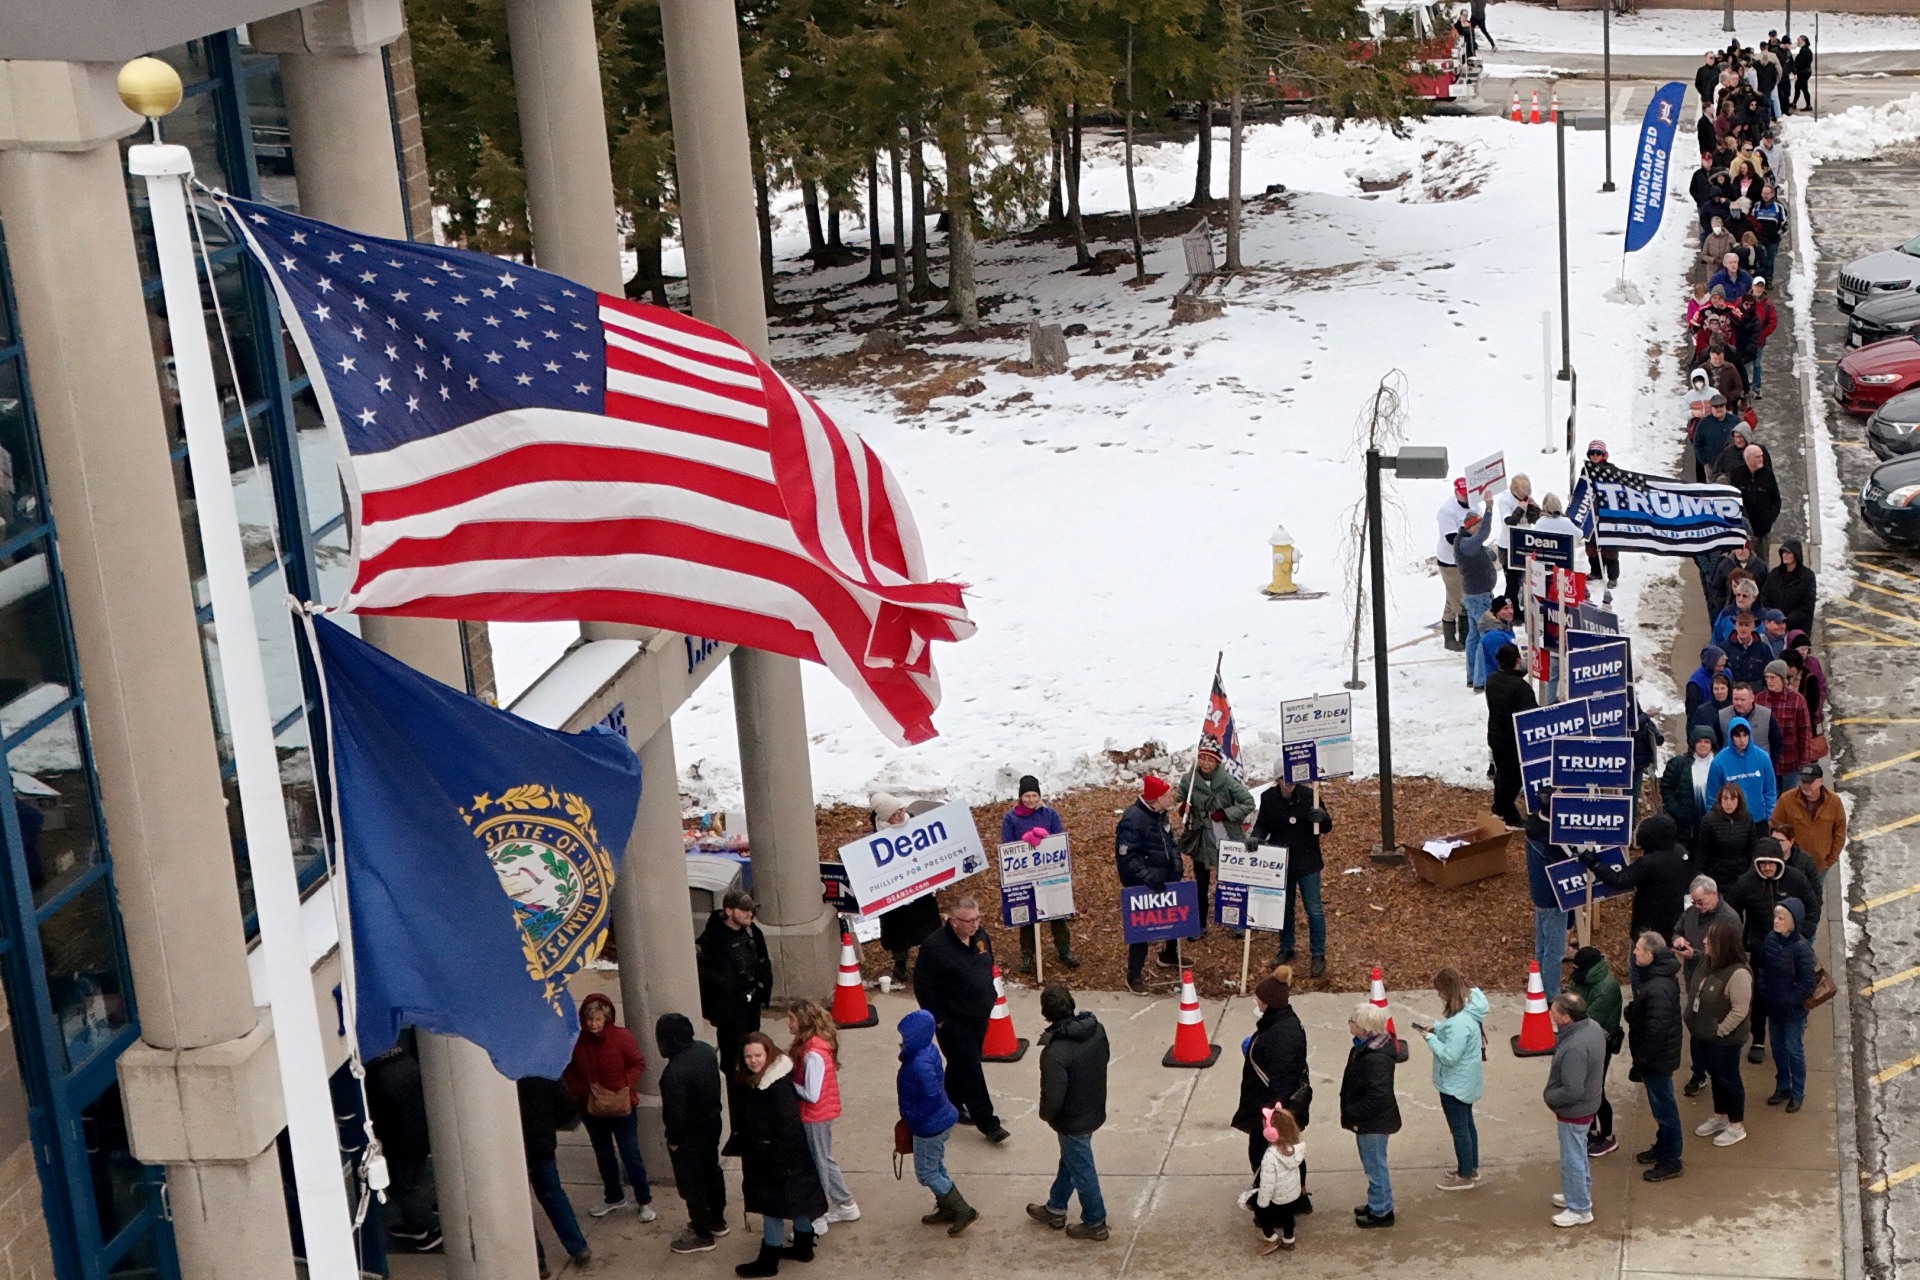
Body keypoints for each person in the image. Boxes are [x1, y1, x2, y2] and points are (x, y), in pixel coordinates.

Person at [731, 1032, 828, 1276]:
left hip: (776, 1158)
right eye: (748, 1056)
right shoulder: (760, 1079)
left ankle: (769, 1260)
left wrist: (775, 1162)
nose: (753, 1061)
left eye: (757, 1055)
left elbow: (787, 1128)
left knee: (772, 1209)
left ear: (768, 1054)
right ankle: (804, 1246)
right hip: (785, 1158)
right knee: (796, 1201)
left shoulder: (776, 1086)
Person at [914, 896, 1007, 1142]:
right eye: (968, 921)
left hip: (979, 1015)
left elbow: (988, 964)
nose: (975, 924)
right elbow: (922, 986)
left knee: (963, 1063)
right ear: (953, 921)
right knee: (971, 1068)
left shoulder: (980, 937)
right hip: (953, 1021)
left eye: (977, 918)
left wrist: (989, 994)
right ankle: (988, 1123)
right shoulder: (935, 947)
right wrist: (940, 1019)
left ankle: (949, 1100)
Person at [1026, 983, 1111, 1241]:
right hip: (1093, 1108)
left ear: (1046, 1014)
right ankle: (1056, 1206)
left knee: (1081, 1167)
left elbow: (1052, 1097)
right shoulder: (1097, 1031)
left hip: (1071, 1119)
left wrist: (1046, 1115)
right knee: (1072, 1160)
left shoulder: (1054, 1053)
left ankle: (1095, 1221)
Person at [562, 993, 656, 1221]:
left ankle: (644, 1200)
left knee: (630, 1154)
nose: (593, 1024)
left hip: (623, 1107)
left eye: (598, 1019)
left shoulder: (621, 1037)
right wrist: (580, 1090)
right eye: (589, 1020)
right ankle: (613, 1197)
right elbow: (568, 1069)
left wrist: (625, 1086)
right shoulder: (576, 1041)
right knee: (604, 1155)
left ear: (606, 1019)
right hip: (591, 1109)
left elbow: (637, 1063)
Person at [698, 887, 773, 1153]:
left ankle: (756, 1121)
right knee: (735, 1069)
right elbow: (701, 971)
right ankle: (739, 1128)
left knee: (755, 1060)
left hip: (750, 1011)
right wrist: (726, 986)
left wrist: (762, 988)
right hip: (730, 1017)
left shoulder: (753, 932)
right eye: (744, 910)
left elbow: (763, 961)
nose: (749, 914)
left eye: (751, 910)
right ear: (729, 911)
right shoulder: (712, 940)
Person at [897, 1008, 978, 1235]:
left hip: (928, 1126)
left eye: (905, 1038)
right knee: (936, 1165)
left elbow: (931, 1096)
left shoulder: (917, 1064)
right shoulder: (926, 1052)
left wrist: (912, 1116)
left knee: (927, 1172)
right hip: (939, 1120)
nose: (902, 1042)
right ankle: (947, 1207)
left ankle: (962, 1209)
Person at [658, 1013, 731, 1255]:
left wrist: (674, 1141)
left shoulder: (673, 1074)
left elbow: (675, 1116)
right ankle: (717, 1220)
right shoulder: (705, 1051)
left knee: (693, 1184)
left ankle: (702, 1233)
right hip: (712, 1124)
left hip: (689, 1136)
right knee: (712, 1170)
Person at [787, 1000, 859, 1231]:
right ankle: (845, 1203)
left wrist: (786, 1083)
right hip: (820, 1115)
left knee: (818, 1164)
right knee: (824, 1159)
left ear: (803, 1022)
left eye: (791, 1018)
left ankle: (817, 1217)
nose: (788, 1023)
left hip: (813, 1117)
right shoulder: (816, 1047)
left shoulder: (812, 1054)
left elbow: (811, 1093)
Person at [1249, 772, 1331, 974]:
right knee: (1285, 908)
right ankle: (1287, 947)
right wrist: (1255, 837)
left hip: (1307, 861)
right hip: (1282, 863)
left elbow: (1326, 827)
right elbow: (1262, 824)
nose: (1290, 784)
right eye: (1285, 779)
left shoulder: (1310, 795)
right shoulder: (1268, 798)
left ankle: (1318, 953)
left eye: (1293, 779)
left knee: (1314, 910)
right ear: (1277, 780)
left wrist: (1323, 818)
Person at [1414, 967, 1487, 1191]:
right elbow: (1453, 1030)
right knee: (1467, 1125)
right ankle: (1470, 1167)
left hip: (1454, 1085)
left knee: (1459, 1130)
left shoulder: (1458, 1022)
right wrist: (1436, 1027)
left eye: (1440, 991)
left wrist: (1430, 1039)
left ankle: (1464, 1175)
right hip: (1467, 1082)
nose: (1439, 996)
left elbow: (1449, 1056)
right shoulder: (1469, 1012)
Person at [365, 1042, 440, 1254]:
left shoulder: (376, 1079)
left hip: (401, 1141)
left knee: (401, 1191)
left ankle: (434, 1227)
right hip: (417, 1133)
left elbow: (377, 1116)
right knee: (412, 1181)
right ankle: (414, 1226)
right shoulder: (404, 1059)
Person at [1233, 974, 1311, 1175]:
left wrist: (1272, 1112)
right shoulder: (1284, 1023)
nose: (1256, 1002)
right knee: (1285, 1148)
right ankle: (1293, 1190)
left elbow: (1282, 1078)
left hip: (1272, 1108)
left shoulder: (1281, 1033)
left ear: (1268, 1003)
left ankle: (1267, 1190)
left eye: (1259, 999)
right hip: (1271, 1105)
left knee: (1267, 1150)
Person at [1584, 815, 1697, 951]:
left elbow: (1619, 880)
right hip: (1673, 918)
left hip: (1647, 921)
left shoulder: (1649, 863)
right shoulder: (1680, 852)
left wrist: (1594, 863)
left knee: (1639, 959)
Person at [1001, 776, 1079, 971]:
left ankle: (1064, 950)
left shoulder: (1050, 814)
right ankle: (1027, 955)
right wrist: (1024, 842)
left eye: (1034, 795)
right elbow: (1007, 845)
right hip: (1024, 875)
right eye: (1027, 796)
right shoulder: (1011, 818)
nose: (1031, 800)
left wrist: (1045, 840)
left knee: (1057, 914)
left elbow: (1058, 838)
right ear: (1020, 796)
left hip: (1049, 873)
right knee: (1026, 917)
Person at [1688, 919, 1754, 1148]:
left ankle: (1736, 1126)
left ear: (1722, 944)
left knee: (1729, 1080)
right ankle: (1720, 1116)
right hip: (1707, 1037)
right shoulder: (1710, 962)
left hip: (1725, 1041)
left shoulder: (1738, 975)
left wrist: (1720, 1031)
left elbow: (1740, 1010)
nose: (1704, 941)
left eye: (1710, 939)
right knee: (1716, 1077)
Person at [1115, 775, 1184, 993]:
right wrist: (1148, 878)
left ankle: (1169, 954)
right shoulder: (1132, 819)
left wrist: (1176, 863)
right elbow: (1127, 858)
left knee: (1174, 918)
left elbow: (1170, 843)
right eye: (1167, 795)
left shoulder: (1160, 814)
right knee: (1142, 931)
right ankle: (1133, 975)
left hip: (1165, 878)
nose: (1171, 797)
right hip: (1143, 886)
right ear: (1156, 799)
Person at [1627, 932, 1686, 1182]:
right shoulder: (1657, 979)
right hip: (1657, 1058)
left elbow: (1656, 1031)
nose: (1634, 952)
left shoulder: (1657, 987)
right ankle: (1663, 1147)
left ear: (1650, 955)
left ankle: (1671, 1160)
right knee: (1661, 1106)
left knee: (1665, 1109)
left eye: (1638, 949)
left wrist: (1641, 1063)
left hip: (1656, 1061)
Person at [519, 1076, 592, 1275]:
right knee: (553, 1195)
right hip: (541, 1145)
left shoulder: (497, 1076)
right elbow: (567, 1109)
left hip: (513, 1149)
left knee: (521, 1205)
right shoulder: (542, 1071)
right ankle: (578, 1246)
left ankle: (537, 1259)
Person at [1542, 993, 1604, 1228]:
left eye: (1555, 1011)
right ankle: (1577, 1195)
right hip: (1587, 1105)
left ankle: (1579, 1208)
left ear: (1566, 1018)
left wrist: (1549, 1097)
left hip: (1574, 1111)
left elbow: (1572, 1089)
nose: (1552, 1013)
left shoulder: (1575, 1047)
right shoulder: (1592, 1028)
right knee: (1577, 1154)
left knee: (1573, 1159)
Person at [1177, 741, 1255, 927]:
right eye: (1202, 758)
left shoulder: (1227, 781)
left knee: (1230, 882)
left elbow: (1248, 803)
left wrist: (1226, 814)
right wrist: (1182, 808)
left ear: (1217, 762)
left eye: (1210, 760)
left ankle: (1234, 922)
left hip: (1224, 837)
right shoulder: (1189, 780)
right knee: (1200, 884)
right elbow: (1180, 799)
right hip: (1201, 838)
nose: (1205, 763)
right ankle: (1200, 923)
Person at [1341, 1003, 1400, 1228]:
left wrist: (1354, 1112)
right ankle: (1377, 1201)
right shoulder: (1368, 1048)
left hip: (1372, 1122)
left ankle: (1382, 1211)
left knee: (1375, 1167)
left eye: (1353, 1022)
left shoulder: (1375, 1058)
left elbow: (1378, 1094)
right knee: (1373, 1165)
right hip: (1371, 1119)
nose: (1349, 1023)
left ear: (1364, 1028)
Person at [872, 793, 939, 987]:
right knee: (898, 930)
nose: (901, 815)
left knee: (926, 928)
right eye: (895, 813)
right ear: (885, 817)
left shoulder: (916, 826)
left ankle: (927, 963)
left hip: (920, 887)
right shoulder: (875, 836)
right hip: (895, 891)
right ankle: (900, 963)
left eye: (901, 810)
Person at [1758, 899, 1818, 1113]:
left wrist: (1790, 1000)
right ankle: (1782, 1086)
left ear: (1792, 922)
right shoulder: (1770, 940)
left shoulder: (1801, 948)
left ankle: (1797, 1092)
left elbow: (1807, 982)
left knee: (1794, 1050)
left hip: (1792, 1012)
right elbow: (1762, 967)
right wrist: (1763, 989)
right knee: (1778, 1049)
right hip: (1774, 1008)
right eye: (1775, 917)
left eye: (1781, 918)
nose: (1776, 921)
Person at [1565, 949, 1623, 1158]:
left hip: (1601, 1044)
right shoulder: (1582, 980)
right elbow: (1570, 1002)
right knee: (1583, 1089)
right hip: (1583, 1042)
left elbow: (1586, 1018)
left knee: (1596, 1090)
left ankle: (1607, 1137)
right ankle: (1591, 1131)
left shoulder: (1607, 988)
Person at [1486, 644, 1537, 828]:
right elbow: (1532, 715)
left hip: (1495, 735)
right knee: (1513, 777)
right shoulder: (1521, 688)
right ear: (1516, 661)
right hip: (1513, 741)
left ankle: (1499, 809)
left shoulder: (1492, 679)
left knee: (1502, 774)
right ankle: (1507, 812)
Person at [1252, 1106, 1308, 1254]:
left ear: (1271, 1133)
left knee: (1262, 1214)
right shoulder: (1296, 1150)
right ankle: (1288, 1240)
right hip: (1291, 1193)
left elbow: (1267, 1183)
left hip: (1276, 1196)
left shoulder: (1270, 1156)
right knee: (1288, 1217)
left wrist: (1262, 1202)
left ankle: (1270, 1238)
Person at [1526, 806, 1572, 981]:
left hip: (1540, 895)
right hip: (1554, 897)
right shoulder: (1552, 837)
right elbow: (1570, 859)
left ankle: (1537, 985)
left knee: (1541, 945)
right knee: (1554, 950)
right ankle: (1550, 994)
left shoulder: (1534, 826)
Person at [1772, 763, 1846, 873]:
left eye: (1809, 782)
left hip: (1819, 867)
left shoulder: (1834, 802)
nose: (1805, 785)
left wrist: (1830, 860)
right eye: (1803, 781)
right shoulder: (1786, 800)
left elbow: (1839, 833)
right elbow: (1774, 827)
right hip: (1791, 866)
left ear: (1820, 781)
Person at [1457, 504, 1500, 686]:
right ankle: (1481, 680)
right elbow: (1483, 535)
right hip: (1479, 597)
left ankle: (1472, 676)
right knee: (1486, 637)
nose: (1481, 529)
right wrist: (1489, 509)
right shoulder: (1467, 544)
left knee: (1474, 636)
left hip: (1474, 595)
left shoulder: (1467, 544)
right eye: (1479, 526)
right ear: (1471, 527)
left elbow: (1480, 550)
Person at [1757, 660, 1813, 792]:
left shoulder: (1797, 700)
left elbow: (1804, 732)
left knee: (1790, 802)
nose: (1769, 681)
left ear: (1782, 678)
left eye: (1773, 677)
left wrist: (1805, 762)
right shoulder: (1759, 700)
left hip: (1790, 763)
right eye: (1767, 677)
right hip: (1767, 763)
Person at [1696, 781, 1763, 889]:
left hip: (1742, 876)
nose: (1728, 803)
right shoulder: (1708, 820)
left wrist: (1751, 873)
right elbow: (1702, 852)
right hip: (1716, 877)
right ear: (1719, 800)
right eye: (1725, 798)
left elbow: (1753, 849)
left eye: (1732, 799)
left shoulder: (1747, 818)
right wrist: (1699, 876)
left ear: (1739, 800)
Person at [1709, 716, 1776, 819]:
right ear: (1731, 737)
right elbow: (1712, 795)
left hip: (1759, 819)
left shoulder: (1763, 757)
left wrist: (1769, 816)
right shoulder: (1719, 761)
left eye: (1745, 735)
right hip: (1731, 821)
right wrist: (1718, 821)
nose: (1742, 740)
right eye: (1738, 736)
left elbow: (1770, 791)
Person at [1661, 731, 1719, 845]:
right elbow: (1666, 788)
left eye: (1706, 742)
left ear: (1712, 744)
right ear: (1693, 743)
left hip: (1714, 821)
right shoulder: (1678, 763)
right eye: (1699, 741)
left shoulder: (1720, 763)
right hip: (1686, 824)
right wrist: (1676, 809)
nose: (1702, 745)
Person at [1580, 442, 1622, 593]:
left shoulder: (1612, 470)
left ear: (1604, 454)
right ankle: (1596, 571)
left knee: (1609, 547)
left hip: (1607, 515)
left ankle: (1612, 576)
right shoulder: (1585, 470)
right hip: (1590, 514)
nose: (1595, 456)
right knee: (1591, 547)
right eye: (1592, 453)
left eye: (1598, 453)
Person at [1436, 477, 1471, 651]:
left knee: (1453, 598)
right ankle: (1463, 639)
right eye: (1462, 494)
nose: (1465, 497)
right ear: (1456, 492)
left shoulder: (1474, 505)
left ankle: (1449, 637)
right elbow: (1451, 538)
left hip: (1466, 560)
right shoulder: (1447, 511)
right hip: (1450, 562)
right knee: (1460, 601)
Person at [1733, 444, 1781, 562]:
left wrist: (1769, 521)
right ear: (1748, 459)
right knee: (1744, 562)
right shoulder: (1736, 474)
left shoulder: (1768, 474)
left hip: (1762, 530)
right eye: (1757, 457)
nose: (1761, 459)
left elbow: (1776, 500)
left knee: (1762, 563)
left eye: (1761, 456)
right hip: (1744, 531)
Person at [1494, 474, 1538, 602]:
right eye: (1521, 494)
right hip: (1508, 547)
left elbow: (1535, 519)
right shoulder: (1505, 500)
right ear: (1514, 490)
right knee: (1512, 584)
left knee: (1526, 579)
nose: (1524, 497)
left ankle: (1524, 607)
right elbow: (1509, 521)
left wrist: (1533, 507)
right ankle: (1512, 610)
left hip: (1525, 544)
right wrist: (1520, 508)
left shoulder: (1525, 498)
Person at [1761, 540, 1816, 637]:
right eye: (1783, 552)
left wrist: (1786, 620)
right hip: (1775, 628)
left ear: (1796, 554)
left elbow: (1807, 605)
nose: (1784, 555)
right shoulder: (1774, 574)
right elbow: (1765, 597)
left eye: (1788, 552)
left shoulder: (1807, 576)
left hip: (1798, 628)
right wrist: (1774, 617)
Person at [1692, 394, 1738, 484]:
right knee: (1714, 491)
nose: (1718, 409)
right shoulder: (1703, 424)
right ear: (1711, 408)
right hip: (1712, 466)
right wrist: (1705, 461)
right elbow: (1697, 444)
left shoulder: (1735, 421)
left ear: (1725, 407)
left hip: (1733, 465)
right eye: (1716, 407)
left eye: (1721, 406)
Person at [1477, 595, 1520, 687]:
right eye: (1505, 608)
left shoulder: (1505, 627)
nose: (1510, 611)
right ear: (1496, 612)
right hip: (1501, 685)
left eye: (1511, 607)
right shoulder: (1494, 636)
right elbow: (1502, 664)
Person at [1745, 279, 1778, 397]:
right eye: (1756, 285)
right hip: (1746, 340)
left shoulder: (1768, 304)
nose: (1758, 288)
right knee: (1746, 364)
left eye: (1761, 286)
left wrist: (1762, 334)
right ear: (1752, 286)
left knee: (1757, 364)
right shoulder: (1745, 300)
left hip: (1758, 341)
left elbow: (1773, 323)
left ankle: (1756, 387)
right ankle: (1746, 387)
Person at [1689, 673, 1733, 749]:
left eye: (1722, 688)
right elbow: (1694, 735)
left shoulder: (1735, 709)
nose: (1719, 692)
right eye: (1716, 688)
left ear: (1728, 689)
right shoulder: (1702, 711)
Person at [1792, 35, 1813, 111]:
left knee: (1804, 89)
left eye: (1798, 40)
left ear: (1803, 41)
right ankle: (1794, 103)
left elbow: (1802, 63)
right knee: (1797, 87)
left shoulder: (1805, 51)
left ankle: (1808, 105)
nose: (1797, 41)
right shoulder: (1804, 50)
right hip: (1805, 72)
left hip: (1803, 73)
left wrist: (1795, 67)